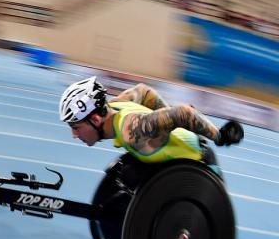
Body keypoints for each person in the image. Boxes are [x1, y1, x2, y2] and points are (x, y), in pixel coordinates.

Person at [58, 77, 243, 183]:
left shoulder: (132, 130)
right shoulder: (116, 105)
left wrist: (220, 136)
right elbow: (143, 91)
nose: (74, 135)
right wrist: (163, 120)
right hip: (173, 165)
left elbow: (184, 113)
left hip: (200, 165)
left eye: (76, 127)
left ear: (96, 119)